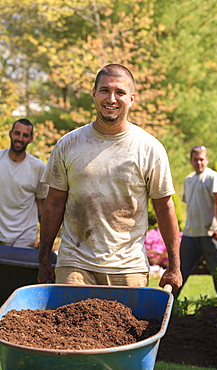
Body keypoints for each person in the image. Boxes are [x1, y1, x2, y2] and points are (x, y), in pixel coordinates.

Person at [38, 63, 182, 292]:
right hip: (75, 262)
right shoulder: (69, 145)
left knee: (128, 328)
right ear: (94, 94)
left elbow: (164, 208)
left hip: (128, 267)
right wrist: (44, 258)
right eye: (105, 90)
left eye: (120, 92)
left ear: (132, 98)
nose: (111, 98)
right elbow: (54, 203)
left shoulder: (149, 148)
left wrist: (174, 265)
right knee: (70, 327)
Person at [175, 145, 217, 299]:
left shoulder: (213, 177)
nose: (199, 163)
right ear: (191, 160)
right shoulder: (189, 179)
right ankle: (170, 304)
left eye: (202, 159)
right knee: (180, 270)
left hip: (209, 233)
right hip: (191, 234)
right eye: (196, 159)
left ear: (207, 159)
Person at [0, 118, 48, 248]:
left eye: (25, 135)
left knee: (17, 268)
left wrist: (44, 241)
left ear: (31, 139)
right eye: (17, 133)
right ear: (10, 133)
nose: (20, 138)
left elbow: (41, 205)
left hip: (25, 235)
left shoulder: (38, 167)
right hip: (1, 232)